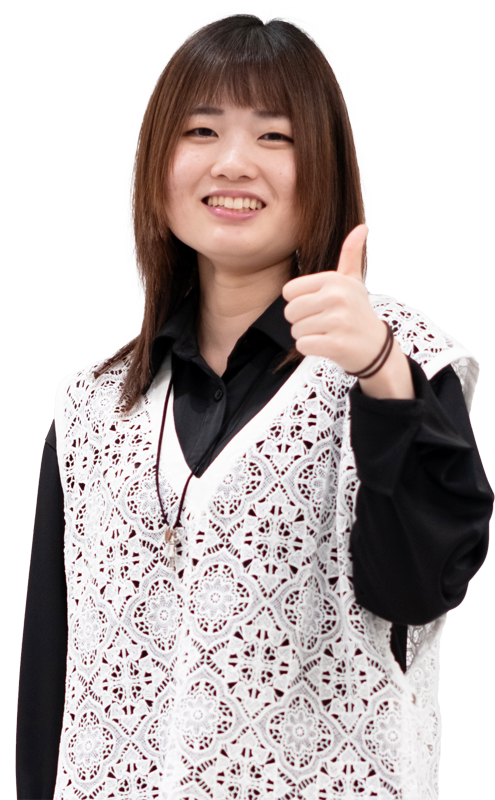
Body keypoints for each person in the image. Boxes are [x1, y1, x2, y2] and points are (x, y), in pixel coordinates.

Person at [16, 11, 493, 800]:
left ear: (325, 168)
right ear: (156, 162)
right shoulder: (90, 406)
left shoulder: (394, 359)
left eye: (276, 136)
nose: (234, 162)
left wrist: (379, 373)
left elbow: (417, 591)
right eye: (200, 131)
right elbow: (50, 677)